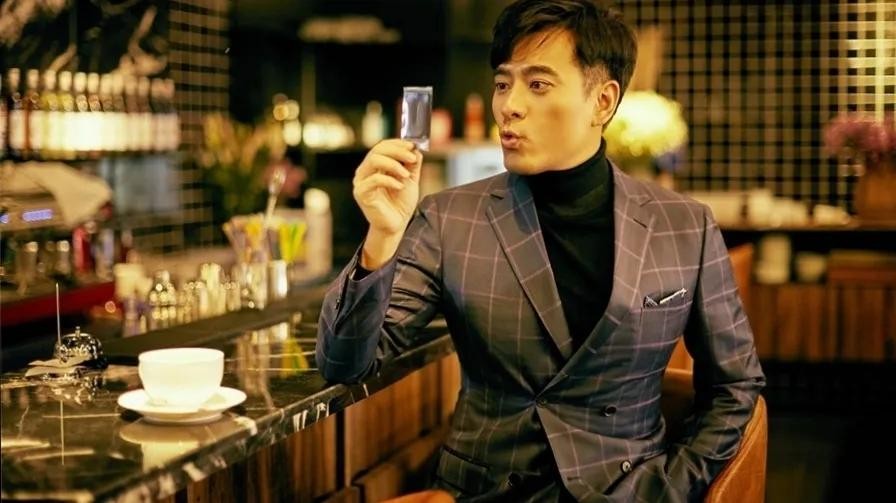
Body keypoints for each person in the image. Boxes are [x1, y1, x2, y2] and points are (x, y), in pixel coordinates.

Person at [316, 1, 765, 501]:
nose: (510, 105)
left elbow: (734, 387)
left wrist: (670, 488)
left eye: (538, 84)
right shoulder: (450, 217)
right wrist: (382, 237)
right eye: (502, 84)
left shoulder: (683, 225)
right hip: (485, 491)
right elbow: (345, 364)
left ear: (603, 102)